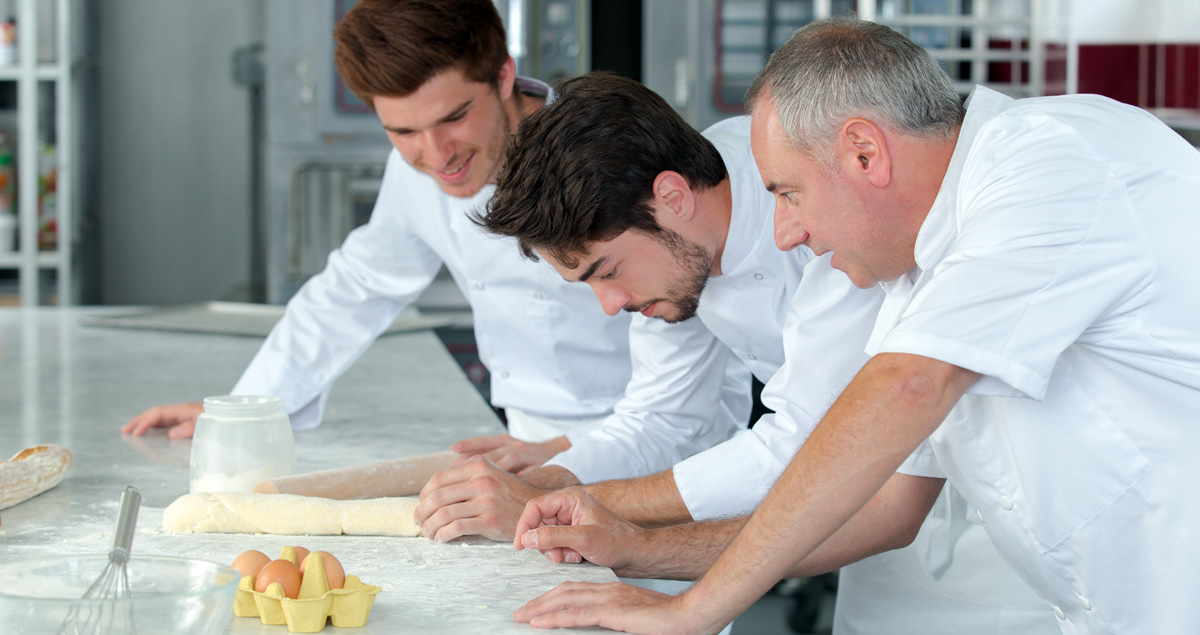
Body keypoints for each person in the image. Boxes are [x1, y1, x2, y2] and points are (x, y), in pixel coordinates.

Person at [509, 18, 1200, 635]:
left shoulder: (1047, 159)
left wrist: (694, 609)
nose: (786, 231)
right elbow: (887, 509)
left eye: (788, 192)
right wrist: (637, 548)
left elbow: (907, 386)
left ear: (864, 152)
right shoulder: (916, 271)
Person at [429, 72, 1056, 634]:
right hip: (863, 533)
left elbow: (802, 444)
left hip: (997, 537)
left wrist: (562, 507)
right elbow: (661, 416)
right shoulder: (681, 245)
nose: (610, 304)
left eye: (607, 271)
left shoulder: (824, 212)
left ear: (672, 197)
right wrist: (547, 484)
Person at [119, 0, 648, 468]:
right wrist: (247, 409)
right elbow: (357, 287)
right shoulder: (422, 169)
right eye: (404, 131)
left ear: (504, 76)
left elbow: (694, 346)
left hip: (653, 444)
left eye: (455, 117)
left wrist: (576, 449)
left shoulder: (606, 155)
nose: (439, 155)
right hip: (524, 445)